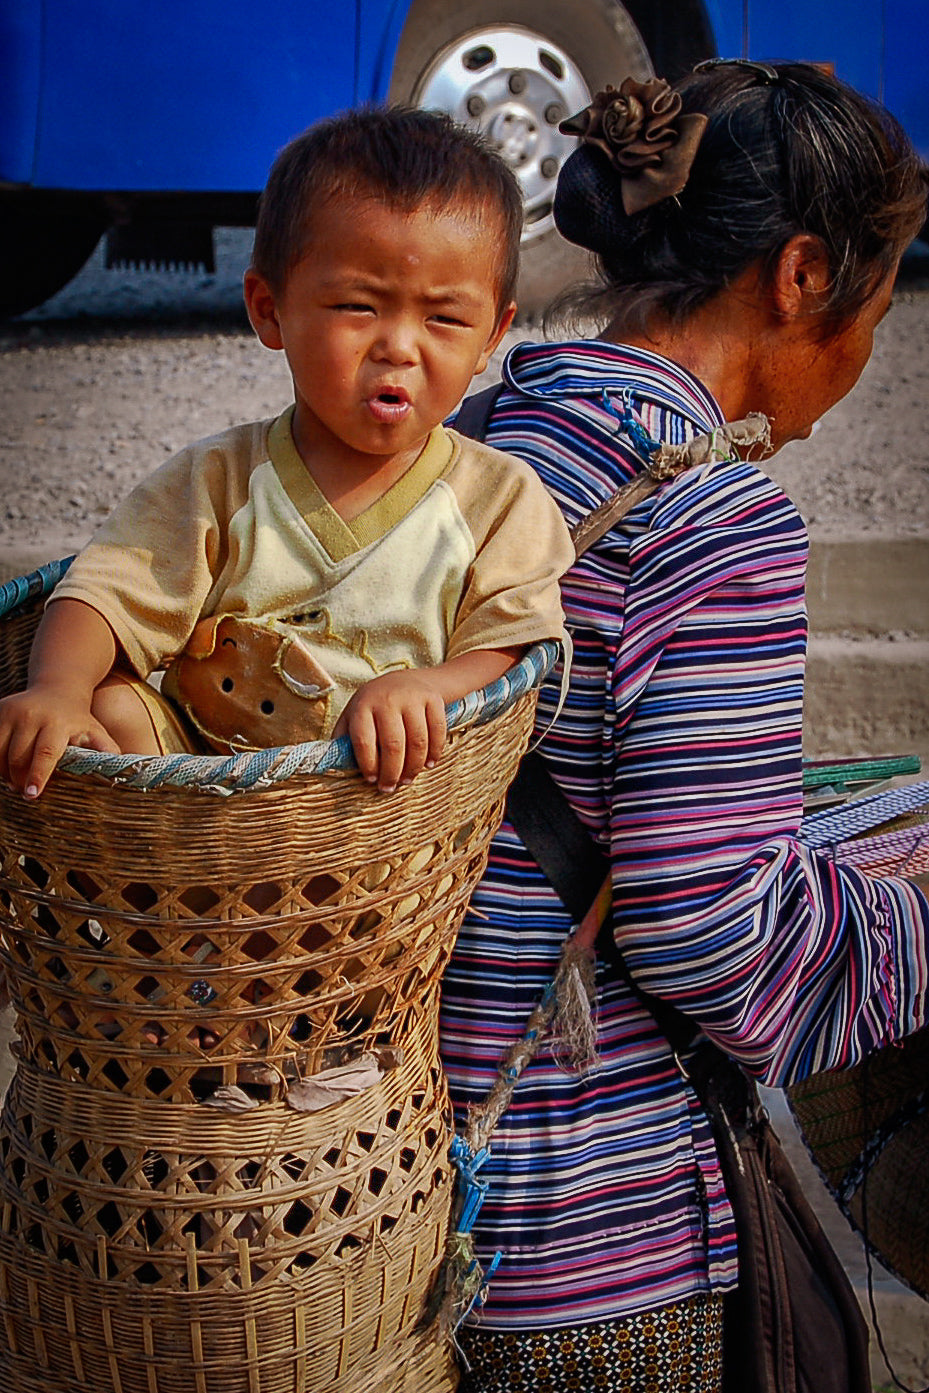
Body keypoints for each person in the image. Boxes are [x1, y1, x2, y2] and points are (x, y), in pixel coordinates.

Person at [440, 62, 929, 1391]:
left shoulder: (475, 427)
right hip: (583, 1248)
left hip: (401, 1193)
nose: (870, 345)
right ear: (802, 276)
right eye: (878, 304)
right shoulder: (716, 520)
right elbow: (717, 938)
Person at [0, 108, 574, 799]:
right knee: (108, 701)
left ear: (492, 335)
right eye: (359, 307)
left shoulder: (498, 500)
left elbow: (511, 645)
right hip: (201, 808)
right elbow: (105, 593)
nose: (399, 345)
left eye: (444, 319)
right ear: (269, 308)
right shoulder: (218, 481)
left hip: (379, 812)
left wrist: (427, 685)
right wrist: (58, 689)